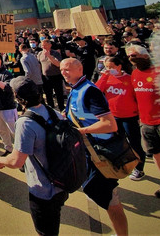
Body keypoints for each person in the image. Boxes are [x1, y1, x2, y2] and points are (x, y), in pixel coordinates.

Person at [61, 58, 128, 235]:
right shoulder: (75, 89)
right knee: (101, 195)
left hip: (100, 153)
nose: (63, 73)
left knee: (111, 202)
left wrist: (82, 131)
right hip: (88, 153)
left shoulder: (89, 91)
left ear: (79, 69)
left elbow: (110, 124)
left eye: (67, 69)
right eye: (61, 70)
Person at [0, 76, 69, 236]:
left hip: (42, 189)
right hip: (61, 182)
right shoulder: (53, 112)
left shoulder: (25, 123)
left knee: (45, 231)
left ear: (17, 97)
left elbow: (16, 161)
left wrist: (1, 160)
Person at [95, 56, 146, 181]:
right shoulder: (106, 78)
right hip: (113, 117)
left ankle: (139, 168)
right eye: (107, 67)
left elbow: (138, 98)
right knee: (118, 142)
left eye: (111, 67)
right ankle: (123, 163)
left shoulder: (130, 79)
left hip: (130, 117)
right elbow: (96, 91)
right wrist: (105, 76)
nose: (109, 69)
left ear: (119, 66)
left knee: (135, 144)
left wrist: (140, 115)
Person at [126, 44, 160, 198]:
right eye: (129, 56)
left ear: (145, 56)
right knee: (156, 153)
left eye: (134, 55)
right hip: (146, 122)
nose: (131, 59)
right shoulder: (134, 74)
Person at [36, 38, 65, 111]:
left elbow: (58, 64)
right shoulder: (39, 54)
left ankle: (61, 107)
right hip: (45, 77)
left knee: (59, 93)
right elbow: (39, 65)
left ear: (50, 45)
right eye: (42, 45)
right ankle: (51, 108)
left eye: (45, 45)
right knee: (48, 94)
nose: (43, 47)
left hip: (56, 76)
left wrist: (49, 56)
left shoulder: (55, 53)